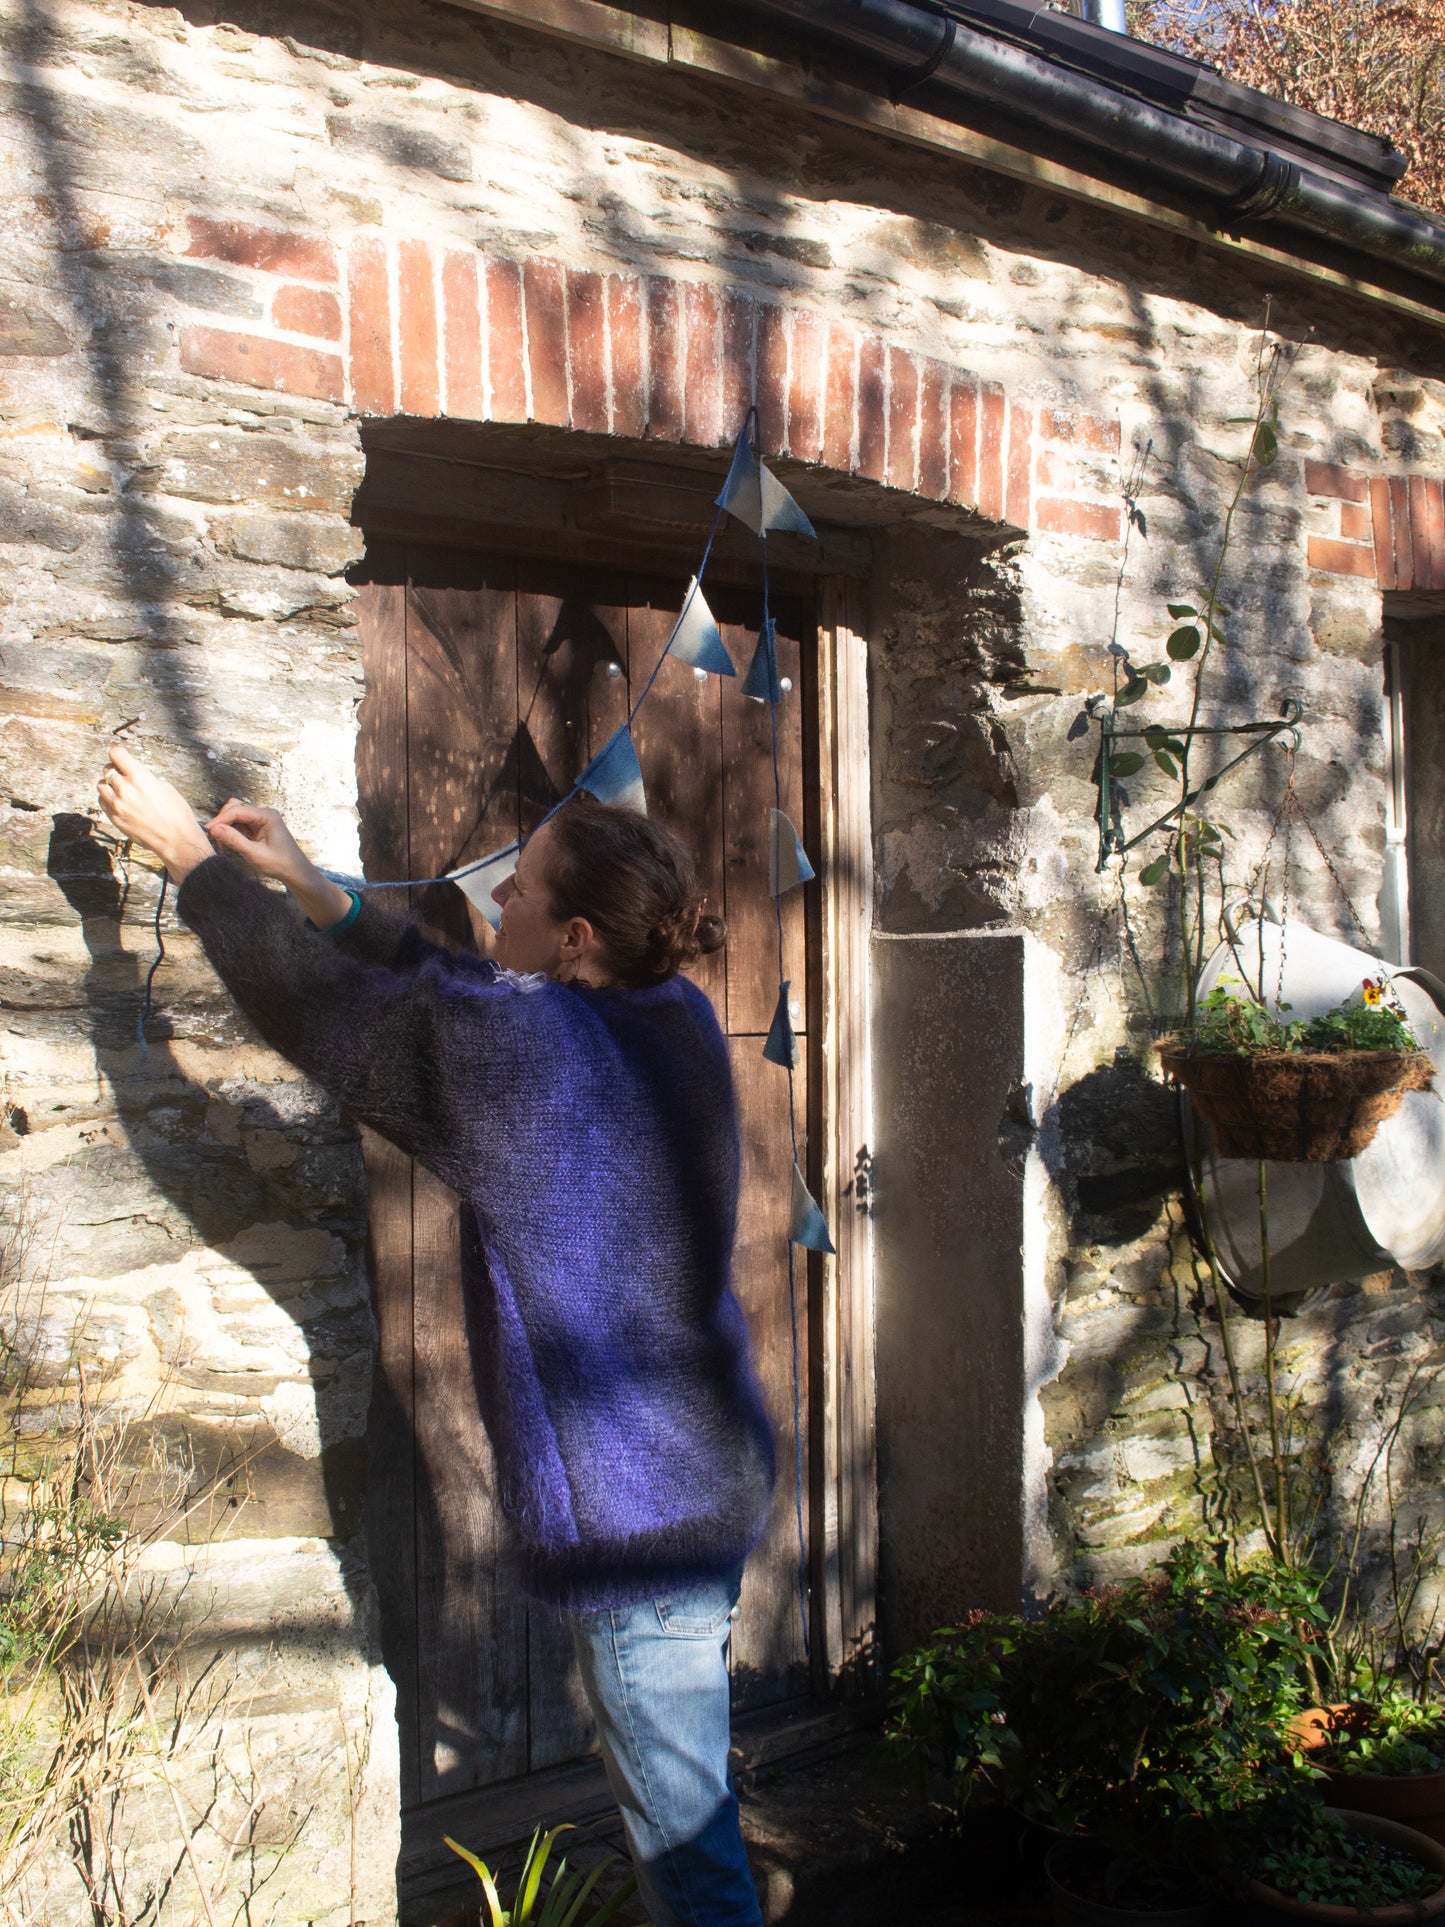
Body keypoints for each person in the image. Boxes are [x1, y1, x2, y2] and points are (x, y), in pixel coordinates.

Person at [96, 743, 775, 1927]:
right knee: (690, 1821)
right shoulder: (669, 1018)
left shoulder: (531, 1057)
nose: (496, 892)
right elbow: (464, 1000)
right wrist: (317, 887)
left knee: (692, 1864)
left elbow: (342, 1016)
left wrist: (196, 864)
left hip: (637, 1532)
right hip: (706, 1485)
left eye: (523, 883)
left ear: (574, 938)